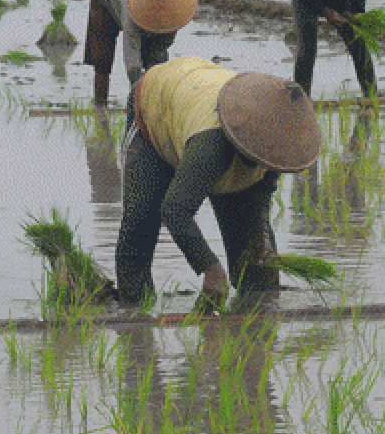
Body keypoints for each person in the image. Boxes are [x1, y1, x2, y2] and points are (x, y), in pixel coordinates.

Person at [115, 56, 320, 308]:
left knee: (256, 271)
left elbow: (258, 210)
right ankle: (134, 310)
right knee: (141, 219)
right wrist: (210, 269)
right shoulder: (212, 146)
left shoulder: (276, 146)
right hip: (157, 102)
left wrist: (261, 252)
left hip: (200, 93)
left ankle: (254, 333)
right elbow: (175, 210)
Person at [83, 0, 198, 107]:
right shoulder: (132, 11)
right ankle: (100, 106)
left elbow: (161, 52)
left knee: (156, 60)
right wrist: (139, 99)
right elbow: (132, 64)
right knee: (103, 58)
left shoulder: (172, 10)